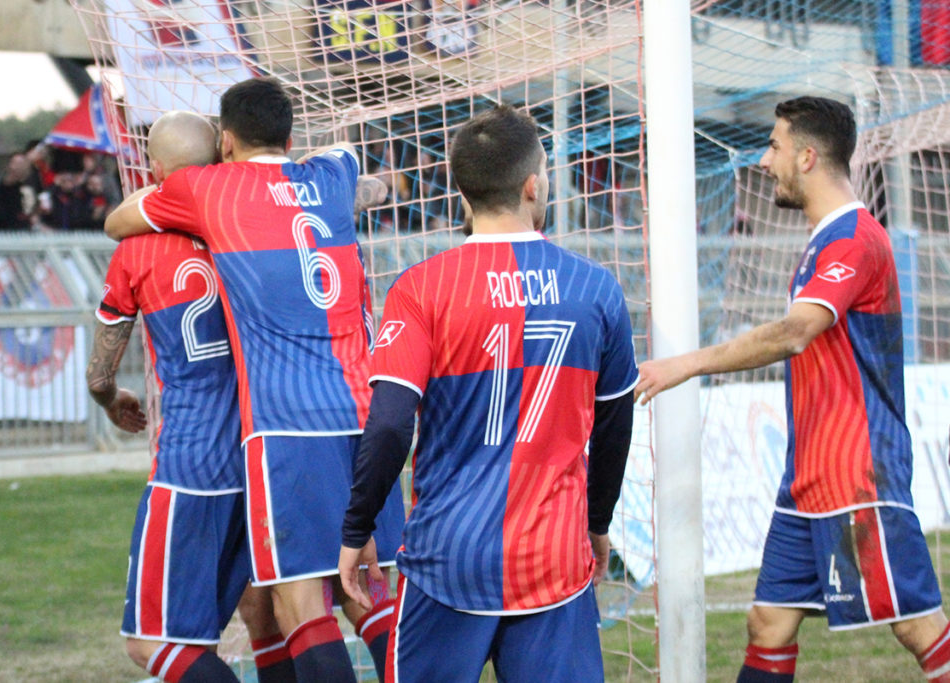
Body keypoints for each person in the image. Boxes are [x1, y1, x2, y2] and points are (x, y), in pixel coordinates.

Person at [634, 96, 950, 682]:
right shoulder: (825, 238)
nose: (763, 160)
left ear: (806, 157)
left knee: (916, 627)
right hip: (807, 475)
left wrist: (686, 365)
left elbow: (795, 333)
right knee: (769, 624)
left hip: (856, 471)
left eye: (774, 146)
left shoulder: (853, 238)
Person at [105, 77, 404, 683]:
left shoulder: (208, 188)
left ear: (226, 141)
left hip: (289, 426)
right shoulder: (333, 173)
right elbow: (368, 180)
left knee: (299, 606)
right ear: (290, 138)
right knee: (368, 592)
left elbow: (118, 221)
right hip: (366, 414)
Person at [338, 104, 638, 682]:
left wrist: (358, 528)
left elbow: (391, 423)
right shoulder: (596, 287)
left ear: (462, 191)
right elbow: (614, 426)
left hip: (448, 557)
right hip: (553, 557)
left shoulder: (420, 288)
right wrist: (596, 523)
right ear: (533, 185)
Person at [87, 110, 251, 683]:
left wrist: (111, 399)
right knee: (266, 619)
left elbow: (99, 376)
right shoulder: (251, 226)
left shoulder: (137, 247)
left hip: (192, 462)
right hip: (263, 454)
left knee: (151, 644)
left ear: (156, 171)